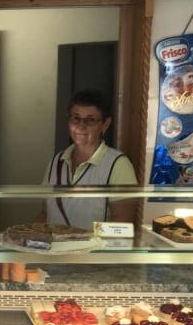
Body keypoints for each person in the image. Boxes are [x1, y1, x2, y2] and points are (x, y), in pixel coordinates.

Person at [40, 89, 138, 230]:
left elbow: (122, 223)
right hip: (55, 244)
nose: (81, 126)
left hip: (94, 245)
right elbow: (45, 214)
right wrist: (25, 236)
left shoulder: (118, 164)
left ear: (105, 124)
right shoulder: (56, 161)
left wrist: (83, 240)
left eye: (90, 120)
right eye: (76, 118)